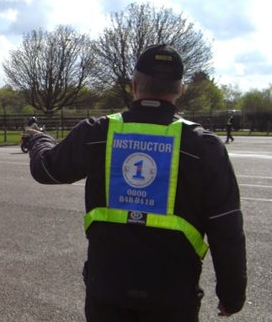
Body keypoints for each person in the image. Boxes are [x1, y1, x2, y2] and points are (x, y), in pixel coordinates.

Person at [27, 44, 247, 321]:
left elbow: (47, 170)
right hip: (174, 295)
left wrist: (38, 139)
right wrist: (232, 295)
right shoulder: (203, 146)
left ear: (134, 85)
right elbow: (227, 227)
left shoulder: (98, 132)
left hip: (107, 291)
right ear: (180, 89)